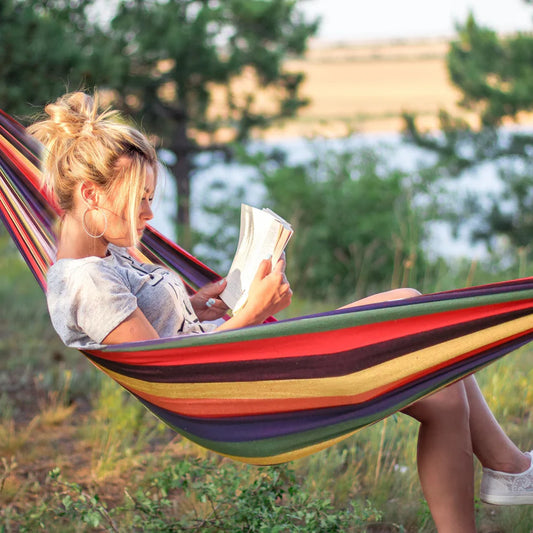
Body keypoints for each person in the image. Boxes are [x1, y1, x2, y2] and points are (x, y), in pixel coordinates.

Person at [29, 92, 533, 533]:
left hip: (247, 359)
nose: (149, 215)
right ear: (92, 196)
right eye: (138, 201)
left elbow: (167, 330)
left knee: (416, 318)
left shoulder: (105, 251)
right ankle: (507, 470)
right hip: (240, 387)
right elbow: (170, 365)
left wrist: (201, 302)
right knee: (432, 366)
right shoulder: (87, 281)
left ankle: (506, 468)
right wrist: (251, 312)